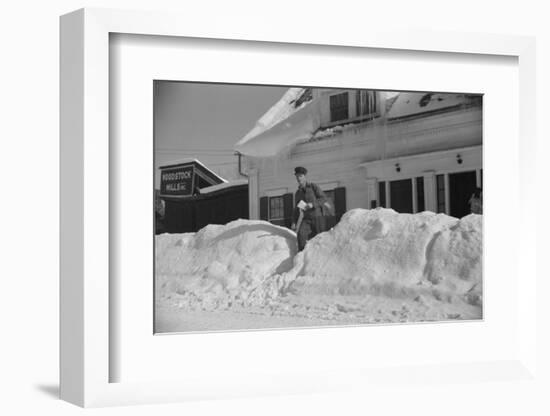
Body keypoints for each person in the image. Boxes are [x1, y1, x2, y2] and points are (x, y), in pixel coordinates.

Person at [290, 166, 329, 251]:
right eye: (297, 176)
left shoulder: (313, 187)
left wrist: (313, 204)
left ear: (305, 176)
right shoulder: (298, 193)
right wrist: (294, 222)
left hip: (318, 217)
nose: (298, 178)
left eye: (300, 176)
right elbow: (296, 210)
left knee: (320, 239)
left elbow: (323, 198)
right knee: (301, 234)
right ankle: (301, 256)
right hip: (306, 219)